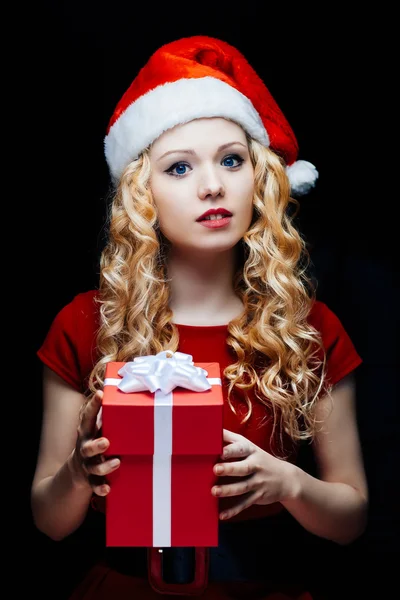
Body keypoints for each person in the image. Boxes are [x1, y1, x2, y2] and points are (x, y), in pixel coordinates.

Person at [31, 35, 368, 600]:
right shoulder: (83, 323)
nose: (213, 184)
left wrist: (290, 484)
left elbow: (351, 518)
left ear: (258, 178)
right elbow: (49, 520)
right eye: (179, 167)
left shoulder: (310, 327)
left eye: (231, 160)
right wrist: (77, 474)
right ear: (142, 193)